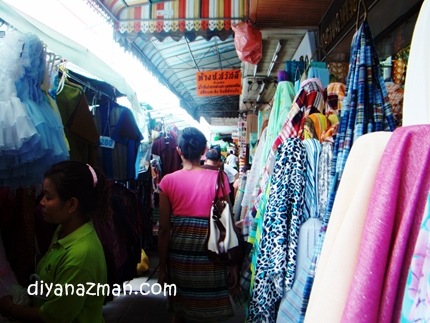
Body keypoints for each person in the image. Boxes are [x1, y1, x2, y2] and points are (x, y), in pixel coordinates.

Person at [0, 161, 110, 323]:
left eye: (48, 197)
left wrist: (11, 309)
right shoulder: (63, 232)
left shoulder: (80, 256)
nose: (41, 202)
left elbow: (53, 316)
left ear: (71, 204)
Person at [157, 127, 238, 323]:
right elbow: (227, 223)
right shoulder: (219, 178)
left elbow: (164, 230)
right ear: (204, 150)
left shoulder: (167, 182)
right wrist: (233, 264)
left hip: (179, 253)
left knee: (180, 312)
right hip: (210, 253)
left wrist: (162, 267)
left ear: (179, 151)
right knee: (210, 310)